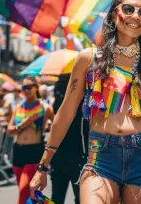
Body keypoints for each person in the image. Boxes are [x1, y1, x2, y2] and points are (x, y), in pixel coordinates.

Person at [29, 0, 141, 204]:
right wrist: (43, 165)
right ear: (115, 13)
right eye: (128, 9)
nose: (135, 16)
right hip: (101, 156)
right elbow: (65, 112)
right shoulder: (89, 59)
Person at [8, 76, 54, 204]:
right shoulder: (18, 107)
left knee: (24, 190)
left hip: (34, 151)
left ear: (36, 87)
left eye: (29, 87)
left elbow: (57, 127)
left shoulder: (45, 107)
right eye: (24, 88)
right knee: (26, 193)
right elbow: (10, 130)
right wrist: (23, 124)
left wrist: (48, 128)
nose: (26, 90)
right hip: (18, 151)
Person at [50, 74, 89, 204]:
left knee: (59, 197)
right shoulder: (84, 102)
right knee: (68, 198)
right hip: (74, 156)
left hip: (70, 156)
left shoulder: (82, 104)